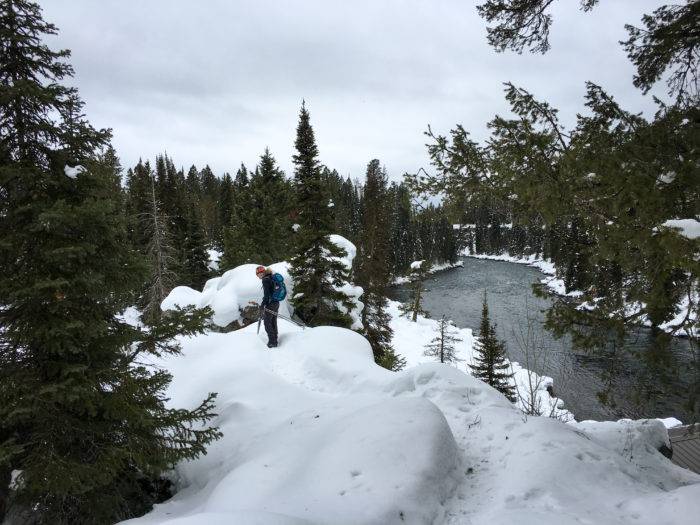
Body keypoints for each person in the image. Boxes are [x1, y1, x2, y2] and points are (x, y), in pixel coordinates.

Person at [256, 265, 278, 348]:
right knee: (273, 321)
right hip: (276, 303)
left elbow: (267, 295)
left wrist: (263, 304)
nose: (259, 275)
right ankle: (275, 339)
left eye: (259, 273)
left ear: (261, 273)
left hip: (271, 304)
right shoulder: (271, 277)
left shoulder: (265, 280)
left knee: (267, 322)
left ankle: (272, 342)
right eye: (258, 274)